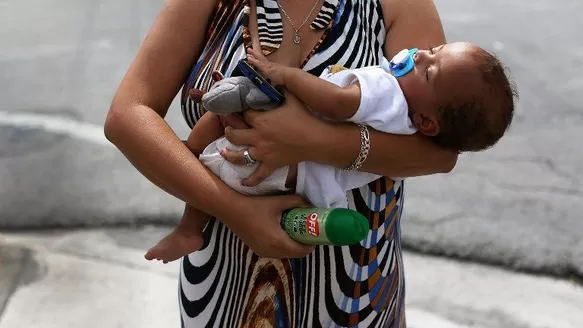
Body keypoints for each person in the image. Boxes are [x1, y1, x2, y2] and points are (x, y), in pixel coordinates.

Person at [104, 0, 465, 326]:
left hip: (354, 292)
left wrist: (314, 140)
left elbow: (439, 150)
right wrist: (233, 210)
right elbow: (127, 115)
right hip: (222, 290)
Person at [144, 43, 516, 263]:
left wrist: (286, 76)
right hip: (299, 182)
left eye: (430, 69)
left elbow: (338, 103)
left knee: (218, 129)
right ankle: (192, 220)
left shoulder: (388, 92)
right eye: (433, 51)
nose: (420, 55)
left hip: (280, 165)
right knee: (220, 143)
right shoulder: (412, 117)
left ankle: (188, 195)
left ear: (429, 121)